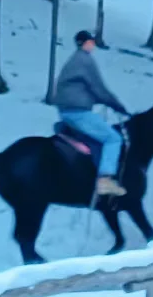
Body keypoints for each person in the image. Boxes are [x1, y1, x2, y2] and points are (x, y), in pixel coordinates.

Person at [51, 30, 129, 196]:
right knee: (113, 139)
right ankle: (105, 180)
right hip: (78, 112)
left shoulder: (74, 60)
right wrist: (117, 105)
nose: (92, 44)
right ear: (83, 43)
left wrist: (101, 100)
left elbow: (83, 89)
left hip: (67, 111)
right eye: (90, 42)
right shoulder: (85, 60)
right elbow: (98, 88)